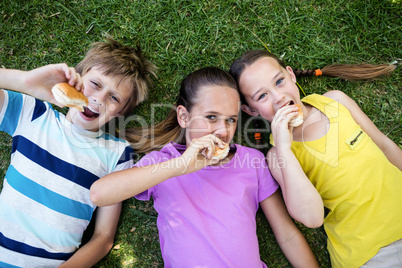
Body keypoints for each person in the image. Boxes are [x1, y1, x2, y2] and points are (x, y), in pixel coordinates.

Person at [90, 67, 319, 267]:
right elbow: (100, 194)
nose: (222, 130)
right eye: (211, 117)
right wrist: (181, 165)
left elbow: (286, 234)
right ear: (183, 116)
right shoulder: (163, 163)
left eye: (230, 119)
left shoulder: (252, 161)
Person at [229, 49, 402, 268]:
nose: (278, 97)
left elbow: (386, 146)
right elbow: (312, 218)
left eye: (279, 81)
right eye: (262, 96)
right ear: (251, 110)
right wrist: (284, 147)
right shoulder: (277, 156)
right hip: (370, 252)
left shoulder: (335, 101)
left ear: (291, 75)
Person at [0, 38, 157, 267]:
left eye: (114, 98)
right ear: (77, 78)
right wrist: (24, 81)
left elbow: (103, 239)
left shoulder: (118, 154)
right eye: (95, 83)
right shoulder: (31, 112)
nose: (99, 99)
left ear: (121, 112)